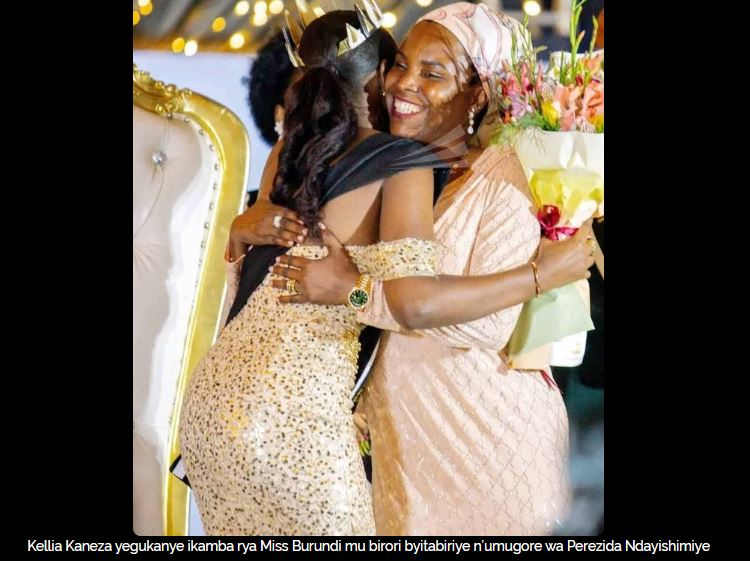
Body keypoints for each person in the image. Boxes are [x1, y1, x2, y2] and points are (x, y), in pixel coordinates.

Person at [240, 3, 598, 535]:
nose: (404, 84)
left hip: (488, 446)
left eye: (433, 74)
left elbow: (487, 325)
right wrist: (249, 223)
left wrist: (357, 292)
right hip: (404, 456)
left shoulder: (506, 172)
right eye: (402, 65)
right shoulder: (394, 168)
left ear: (477, 95)